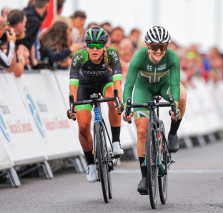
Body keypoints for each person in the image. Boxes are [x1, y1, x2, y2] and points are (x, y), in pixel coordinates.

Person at [122, 26, 187, 195]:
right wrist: (126, 106)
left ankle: (173, 133)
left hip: (165, 86)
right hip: (144, 89)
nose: (159, 51)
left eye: (163, 47)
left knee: (182, 96)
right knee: (142, 131)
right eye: (155, 47)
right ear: (147, 45)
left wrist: (174, 106)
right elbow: (128, 85)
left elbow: (174, 84)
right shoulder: (139, 57)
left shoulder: (172, 57)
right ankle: (144, 176)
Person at [67, 27, 124, 182]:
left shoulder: (112, 54)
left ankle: (116, 141)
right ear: (85, 45)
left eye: (98, 46)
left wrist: (120, 101)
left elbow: (118, 82)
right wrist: (72, 105)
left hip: (106, 83)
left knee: (113, 99)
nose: (94, 49)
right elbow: (73, 86)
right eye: (90, 45)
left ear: (105, 46)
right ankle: (91, 164)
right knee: (83, 126)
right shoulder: (79, 56)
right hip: (84, 87)